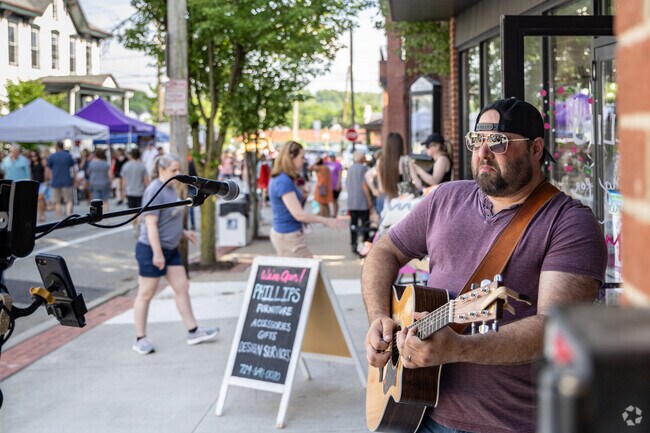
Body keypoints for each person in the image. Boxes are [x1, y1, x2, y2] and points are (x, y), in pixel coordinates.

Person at [362, 97, 607, 433]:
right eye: (476, 141)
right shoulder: (446, 198)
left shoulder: (569, 223)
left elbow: (555, 330)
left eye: (499, 142)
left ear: (536, 149)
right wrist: (378, 318)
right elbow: (383, 251)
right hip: (419, 411)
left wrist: (460, 348)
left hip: (511, 423)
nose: (484, 152)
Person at [132, 154, 218, 355]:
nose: (178, 174)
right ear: (161, 170)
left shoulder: (171, 188)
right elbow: (151, 225)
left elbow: (167, 220)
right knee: (146, 293)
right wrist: (157, 253)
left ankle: (194, 331)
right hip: (151, 249)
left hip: (170, 249)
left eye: (179, 169)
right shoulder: (155, 190)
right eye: (173, 170)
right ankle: (140, 338)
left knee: (182, 286)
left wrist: (183, 232)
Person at [268, 141, 346, 258]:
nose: (304, 160)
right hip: (288, 236)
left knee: (306, 273)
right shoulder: (283, 180)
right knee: (308, 272)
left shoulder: (282, 178)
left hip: (288, 233)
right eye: (302, 157)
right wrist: (327, 221)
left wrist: (303, 194)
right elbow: (299, 214)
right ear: (291, 157)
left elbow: (291, 207)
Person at [346, 150, 373, 256]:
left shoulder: (350, 169)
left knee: (353, 224)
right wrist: (370, 199)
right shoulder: (363, 168)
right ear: (361, 158)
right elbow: (364, 185)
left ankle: (353, 244)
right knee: (365, 224)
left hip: (352, 201)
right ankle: (365, 245)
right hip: (362, 201)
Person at [46, 142, 77, 218]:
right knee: (68, 200)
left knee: (57, 202)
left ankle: (59, 220)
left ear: (56, 147)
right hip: (67, 181)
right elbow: (74, 169)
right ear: (63, 147)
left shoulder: (52, 156)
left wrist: (49, 179)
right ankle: (69, 216)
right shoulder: (68, 156)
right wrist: (75, 180)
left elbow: (47, 170)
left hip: (55, 182)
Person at [30, 150, 47, 222]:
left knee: (40, 199)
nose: (33, 157)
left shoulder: (42, 162)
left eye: (34, 156)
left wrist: (47, 181)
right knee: (40, 200)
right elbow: (31, 174)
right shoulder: (31, 164)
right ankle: (41, 213)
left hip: (43, 183)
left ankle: (42, 215)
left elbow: (46, 171)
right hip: (35, 183)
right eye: (32, 156)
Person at [325, 152, 343, 216]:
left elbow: (340, 175)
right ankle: (331, 213)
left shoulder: (338, 164)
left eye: (332, 156)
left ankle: (335, 214)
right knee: (330, 200)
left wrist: (338, 184)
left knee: (334, 200)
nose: (331, 158)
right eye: (330, 156)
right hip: (328, 186)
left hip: (335, 185)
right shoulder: (326, 163)